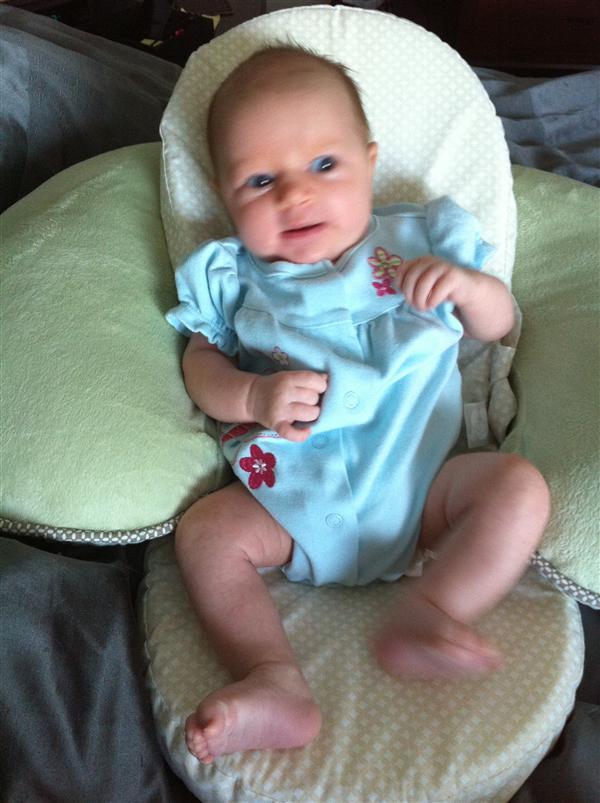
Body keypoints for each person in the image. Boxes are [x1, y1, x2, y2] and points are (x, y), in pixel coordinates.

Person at [165, 45, 550, 765]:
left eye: (324, 165)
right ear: (225, 195)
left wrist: (469, 289)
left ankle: (433, 610)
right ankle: (273, 677)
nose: (295, 195)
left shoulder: (423, 241)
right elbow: (199, 367)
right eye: (260, 180)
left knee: (518, 488)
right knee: (205, 532)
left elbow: (498, 326)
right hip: (290, 506)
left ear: (370, 164)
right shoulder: (232, 278)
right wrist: (251, 393)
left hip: (425, 491)